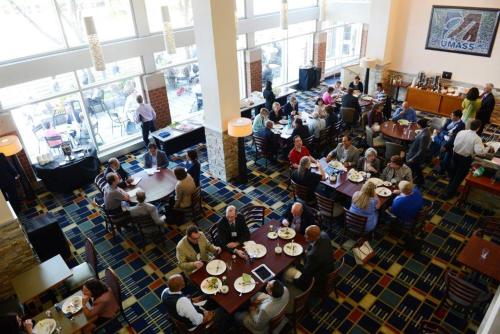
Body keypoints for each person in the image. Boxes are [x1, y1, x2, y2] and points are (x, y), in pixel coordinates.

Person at [444, 120, 492, 199]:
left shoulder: (461, 132)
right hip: (465, 159)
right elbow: (479, 152)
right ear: (478, 128)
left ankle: (449, 188)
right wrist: (487, 148)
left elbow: (456, 142)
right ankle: (449, 193)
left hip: (455, 155)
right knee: (459, 177)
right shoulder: (477, 138)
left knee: (453, 173)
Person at [161, 274, 226, 332]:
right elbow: (197, 321)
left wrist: (192, 300)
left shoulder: (164, 292)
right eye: (183, 281)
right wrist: (206, 315)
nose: (184, 281)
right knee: (223, 311)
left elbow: (183, 303)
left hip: (182, 314)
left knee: (209, 299)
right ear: (182, 285)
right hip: (195, 325)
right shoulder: (183, 302)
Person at [284, 225, 334, 291]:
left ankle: (292, 284)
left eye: (307, 235)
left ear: (313, 237)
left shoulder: (313, 255)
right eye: (305, 233)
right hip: (328, 265)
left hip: (317, 277)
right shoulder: (324, 235)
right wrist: (307, 251)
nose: (304, 236)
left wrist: (296, 265)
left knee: (286, 272)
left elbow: (306, 271)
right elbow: (311, 245)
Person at [430, 109, 465, 175]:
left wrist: (445, 134)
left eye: (452, 115)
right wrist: (447, 133)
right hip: (443, 138)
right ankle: (441, 168)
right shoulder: (448, 120)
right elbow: (441, 129)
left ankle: (441, 172)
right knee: (441, 155)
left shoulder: (462, 125)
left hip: (451, 142)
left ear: (457, 117)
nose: (450, 116)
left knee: (446, 157)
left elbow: (455, 136)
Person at [406, 118, 431, 185]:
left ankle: (419, 181)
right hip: (415, 153)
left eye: (417, 124)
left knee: (415, 168)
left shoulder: (424, 135)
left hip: (416, 156)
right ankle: (420, 181)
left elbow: (421, 150)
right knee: (416, 169)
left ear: (420, 125)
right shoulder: (425, 131)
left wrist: (413, 158)